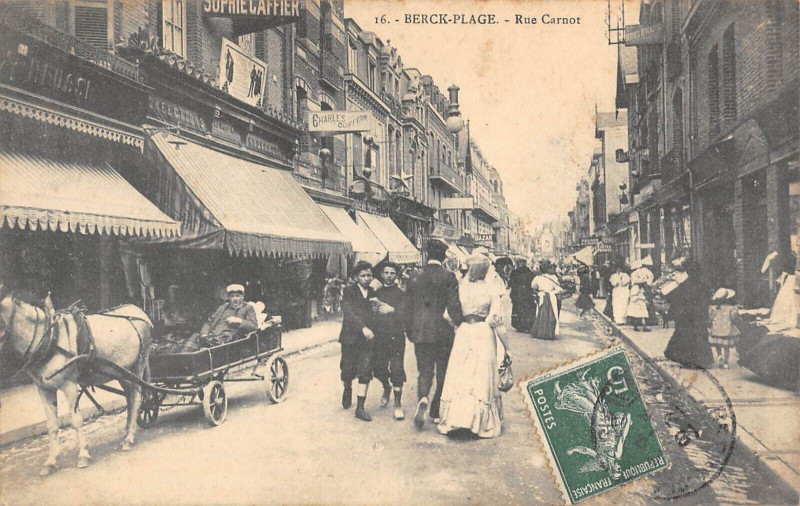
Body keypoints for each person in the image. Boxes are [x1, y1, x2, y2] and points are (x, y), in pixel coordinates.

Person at [437, 253, 510, 438]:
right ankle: (479, 422)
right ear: (485, 270)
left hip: (464, 332)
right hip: (483, 333)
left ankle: (457, 419)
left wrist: (458, 326)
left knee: (460, 375)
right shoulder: (491, 290)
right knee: (481, 376)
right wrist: (507, 347)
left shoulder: (460, 288)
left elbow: (447, 314)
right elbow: (496, 320)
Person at [403, 239, 464, 429]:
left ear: (427, 254)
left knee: (424, 370)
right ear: (444, 256)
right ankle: (436, 409)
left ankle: (423, 397)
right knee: (443, 370)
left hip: (421, 332)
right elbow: (453, 305)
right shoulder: (449, 277)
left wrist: (410, 331)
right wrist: (461, 323)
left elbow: (407, 307)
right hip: (443, 332)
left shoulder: (414, 276)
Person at [338, 261, 378, 422]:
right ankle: (347, 387)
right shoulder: (349, 291)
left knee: (365, 369)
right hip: (350, 337)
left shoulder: (374, 292)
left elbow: (375, 314)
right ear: (356, 277)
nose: (366, 279)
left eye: (369, 275)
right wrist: (363, 328)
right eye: (363, 276)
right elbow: (349, 312)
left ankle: (360, 407)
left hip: (367, 339)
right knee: (347, 369)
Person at [371, 262, 407, 420]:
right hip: (380, 337)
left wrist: (392, 310)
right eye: (386, 273)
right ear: (382, 274)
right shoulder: (376, 292)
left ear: (396, 275)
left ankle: (398, 404)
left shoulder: (401, 294)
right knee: (379, 368)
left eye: (392, 273)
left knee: (397, 368)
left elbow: (407, 314)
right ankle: (386, 387)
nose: (389, 276)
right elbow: (371, 314)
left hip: (396, 336)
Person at [663, 259, 714, 369]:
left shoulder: (684, 285)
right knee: (699, 336)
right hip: (699, 315)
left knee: (685, 336)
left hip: (686, 316)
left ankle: (688, 360)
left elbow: (673, 298)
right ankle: (702, 360)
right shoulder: (703, 285)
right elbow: (708, 299)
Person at [530, 260, 564, 340]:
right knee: (551, 314)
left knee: (541, 314)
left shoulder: (537, 278)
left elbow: (533, 287)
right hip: (551, 297)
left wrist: (538, 293)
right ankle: (549, 333)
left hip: (542, 296)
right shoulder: (553, 277)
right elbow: (558, 288)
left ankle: (540, 332)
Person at [708, 288, 742, 369]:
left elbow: (710, 318)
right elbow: (734, 318)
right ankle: (726, 361)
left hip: (716, 329)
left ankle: (720, 356)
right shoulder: (731, 308)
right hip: (727, 329)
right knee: (726, 346)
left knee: (718, 345)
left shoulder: (713, 307)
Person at [509, 259, 535, 331]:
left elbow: (511, 283)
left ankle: (521, 325)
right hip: (523, 293)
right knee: (522, 309)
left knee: (521, 309)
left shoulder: (516, 272)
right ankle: (522, 325)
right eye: (520, 262)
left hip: (521, 293)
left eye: (522, 262)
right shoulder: (527, 272)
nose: (521, 263)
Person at [628, 259, 654, 332]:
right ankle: (644, 326)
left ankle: (636, 326)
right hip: (639, 293)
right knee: (642, 310)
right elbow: (643, 281)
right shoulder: (639, 273)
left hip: (635, 293)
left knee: (635, 310)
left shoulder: (633, 274)